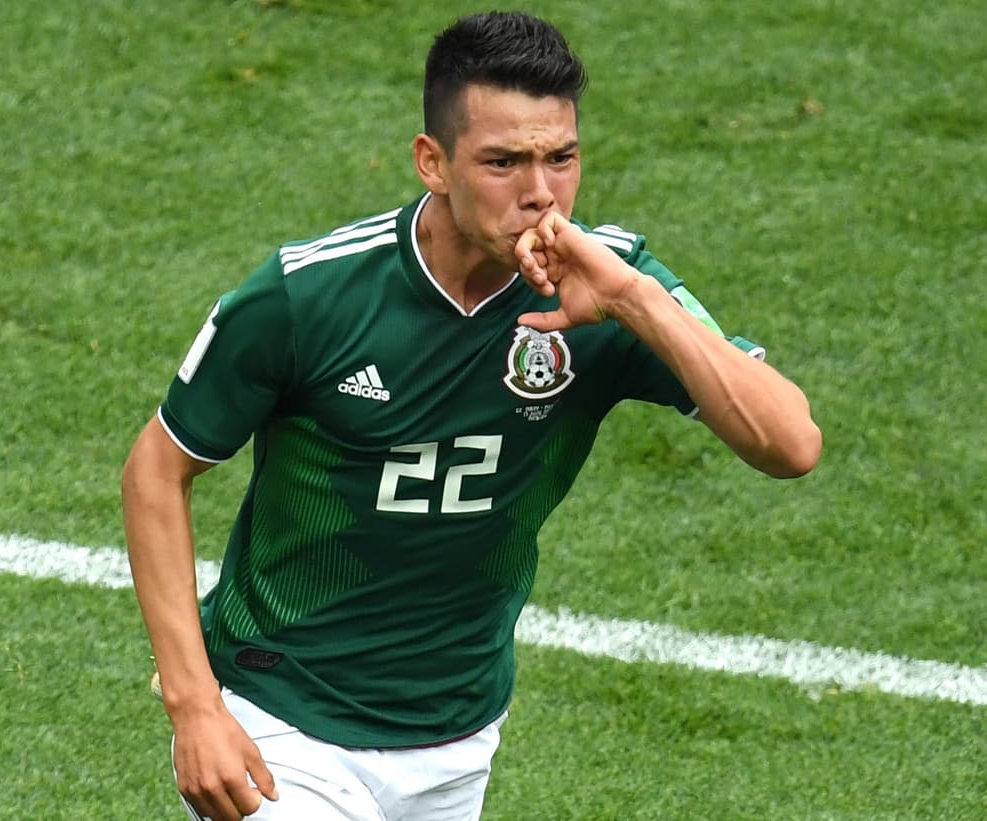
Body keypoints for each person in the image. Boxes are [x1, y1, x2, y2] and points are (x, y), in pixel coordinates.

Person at [121, 10, 822, 821]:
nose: (539, 193)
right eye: (503, 162)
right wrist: (194, 705)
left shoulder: (609, 285)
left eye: (562, 158)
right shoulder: (308, 296)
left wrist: (635, 302)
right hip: (282, 718)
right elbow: (157, 469)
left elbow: (790, 443)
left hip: (457, 737)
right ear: (433, 162)